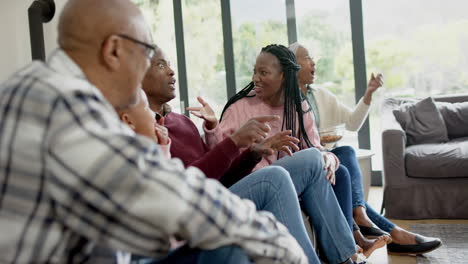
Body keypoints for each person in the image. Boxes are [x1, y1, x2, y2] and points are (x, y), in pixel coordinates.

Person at [0, 0, 308, 262]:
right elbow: (162, 191)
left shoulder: (32, 87)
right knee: (227, 242)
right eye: (148, 54)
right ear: (114, 50)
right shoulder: (63, 105)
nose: (159, 69)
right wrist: (278, 244)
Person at [141, 46, 369, 264]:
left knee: (320, 161)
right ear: (137, 75)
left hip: (221, 192)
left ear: (283, 77)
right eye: (161, 65)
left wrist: (252, 152)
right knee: (276, 177)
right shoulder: (142, 129)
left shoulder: (182, 122)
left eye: (264, 72)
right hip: (209, 202)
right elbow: (189, 184)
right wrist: (236, 143)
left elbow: (217, 170)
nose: (172, 71)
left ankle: (346, 258)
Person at [289, 42, 442, 255]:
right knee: (345, 155)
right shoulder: (286, 100)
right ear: (292, 65)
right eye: (307, 58)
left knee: (346, 153)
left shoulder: (320, 95)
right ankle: (389, 231)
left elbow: (351, 123)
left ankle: (364, 218)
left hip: (328, 157)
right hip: (311, 161)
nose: (313, 62)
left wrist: (369, 93)